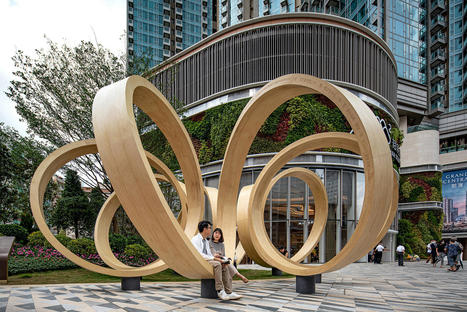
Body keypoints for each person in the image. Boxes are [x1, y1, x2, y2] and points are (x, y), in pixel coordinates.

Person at [191, 220, 241, 300]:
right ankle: (220, 290)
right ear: (204, 229)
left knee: (224, 265)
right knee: (218, 264)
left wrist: (220, 260)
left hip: (207, 260)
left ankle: (229, 292)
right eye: (209, 228)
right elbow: (200, 255)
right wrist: (216, 259)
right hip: (199, 261)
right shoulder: (195, 240)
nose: (210, 230)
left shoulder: (206, 241)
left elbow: (209, 255)